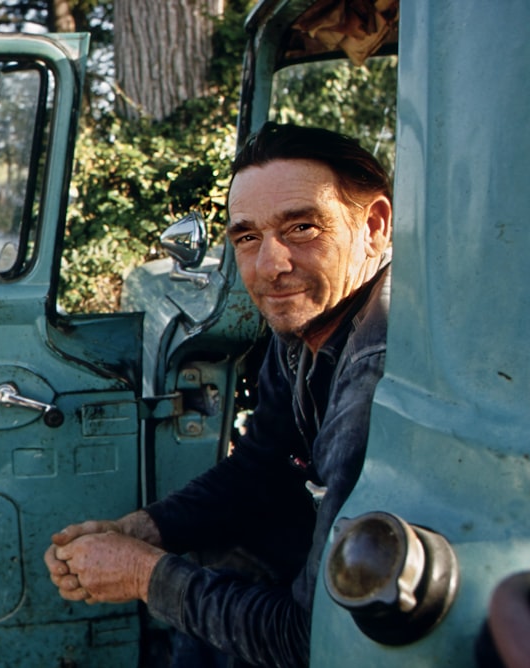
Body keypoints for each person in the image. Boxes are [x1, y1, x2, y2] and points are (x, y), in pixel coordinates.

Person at [44, 122, 393, 667]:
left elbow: (311, 640)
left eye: (302, 227)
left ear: (373, 226)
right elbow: (263, 465)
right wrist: (142, 530)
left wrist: (142, 572)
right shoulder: (309, 319)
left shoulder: (374, 379)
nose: (270, 267)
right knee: (220, 553)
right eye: (248, 237)